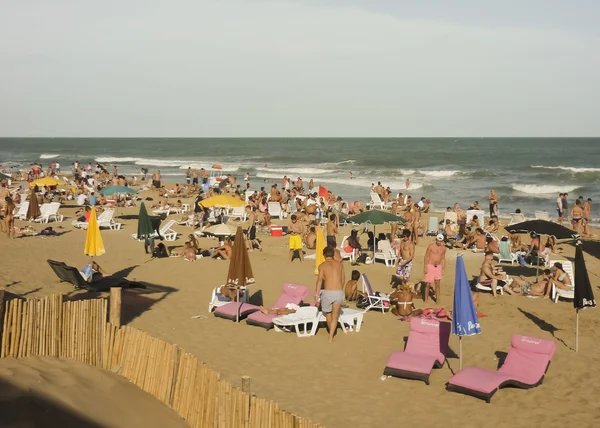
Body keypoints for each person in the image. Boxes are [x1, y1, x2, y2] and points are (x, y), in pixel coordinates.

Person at [314, 246, 345, 343]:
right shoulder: (339, 265)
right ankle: (331, 335)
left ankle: (331, 331)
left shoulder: (322, 266)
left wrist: (316, 295)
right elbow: (343, 279)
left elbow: (319, 281)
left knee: (328, 314)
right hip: (339, 292)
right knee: (335, 315)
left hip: (328, 292)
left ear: (324, 255)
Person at [423, 234, 447, 303]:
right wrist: (425, 266)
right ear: (436, 240)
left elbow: (443, 258)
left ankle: (437, 299)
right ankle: (426, 299)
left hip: (438, 267)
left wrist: (443, 268)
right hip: (430, 265)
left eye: (440, 241)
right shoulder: (431, 246)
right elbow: (426, 256)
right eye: (438, 241)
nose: (439, 242)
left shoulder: (443, 248)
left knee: (437, 284)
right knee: (428, 284)